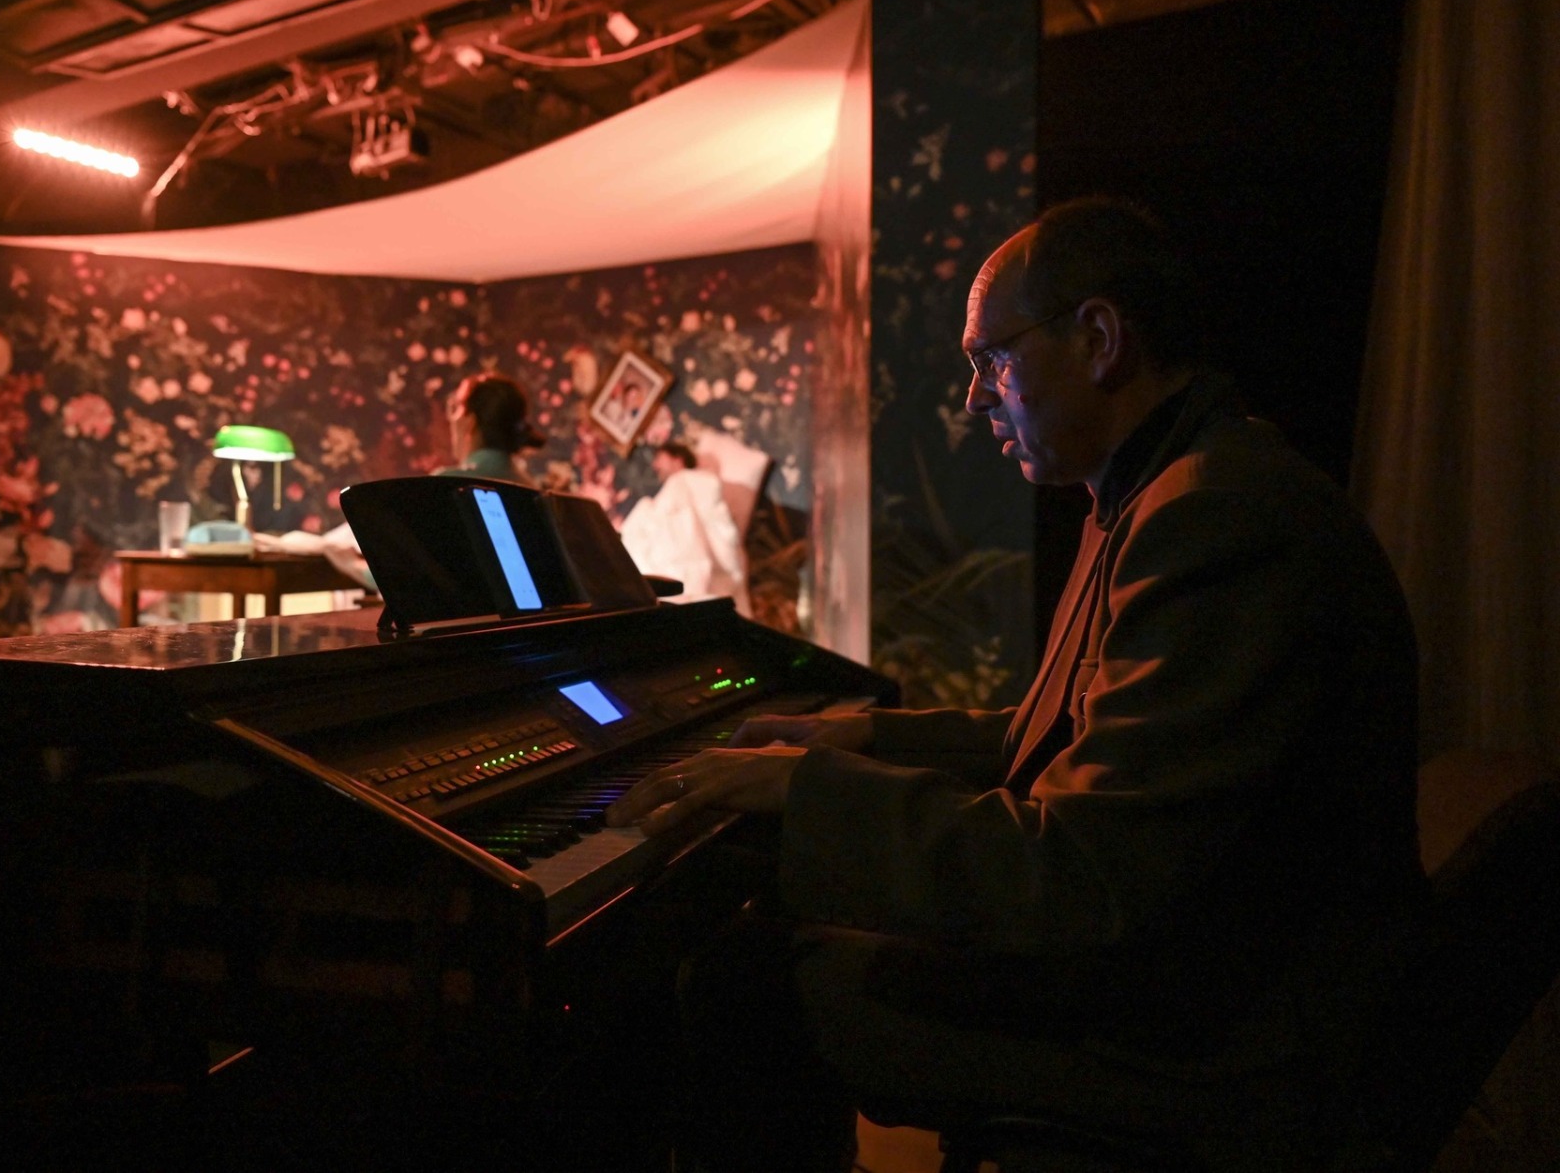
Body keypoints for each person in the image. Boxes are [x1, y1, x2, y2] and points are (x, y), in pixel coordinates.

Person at [605, 199, 1426, 1171]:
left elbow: (1083, 874)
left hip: (1219, 1043)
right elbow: (1066, 737)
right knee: (782, 929)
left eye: (992, 359)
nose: (973, 399)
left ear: (1099, 339)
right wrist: (856, 740)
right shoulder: (1167, 487)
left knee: (743, 976)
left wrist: (806, 792)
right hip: (1204, 977)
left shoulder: (1213, 516)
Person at [619, 441, 750, 614]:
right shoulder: (661, 498)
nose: (655, 465)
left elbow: (710, 522)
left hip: (694, 573)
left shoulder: (694, 482)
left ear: (677, 458)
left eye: (659, 458)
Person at [438, 372, 544, 485]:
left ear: (470, 422)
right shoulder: (531, 489)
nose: (452, 421)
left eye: (455, 410)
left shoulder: (444, 482)